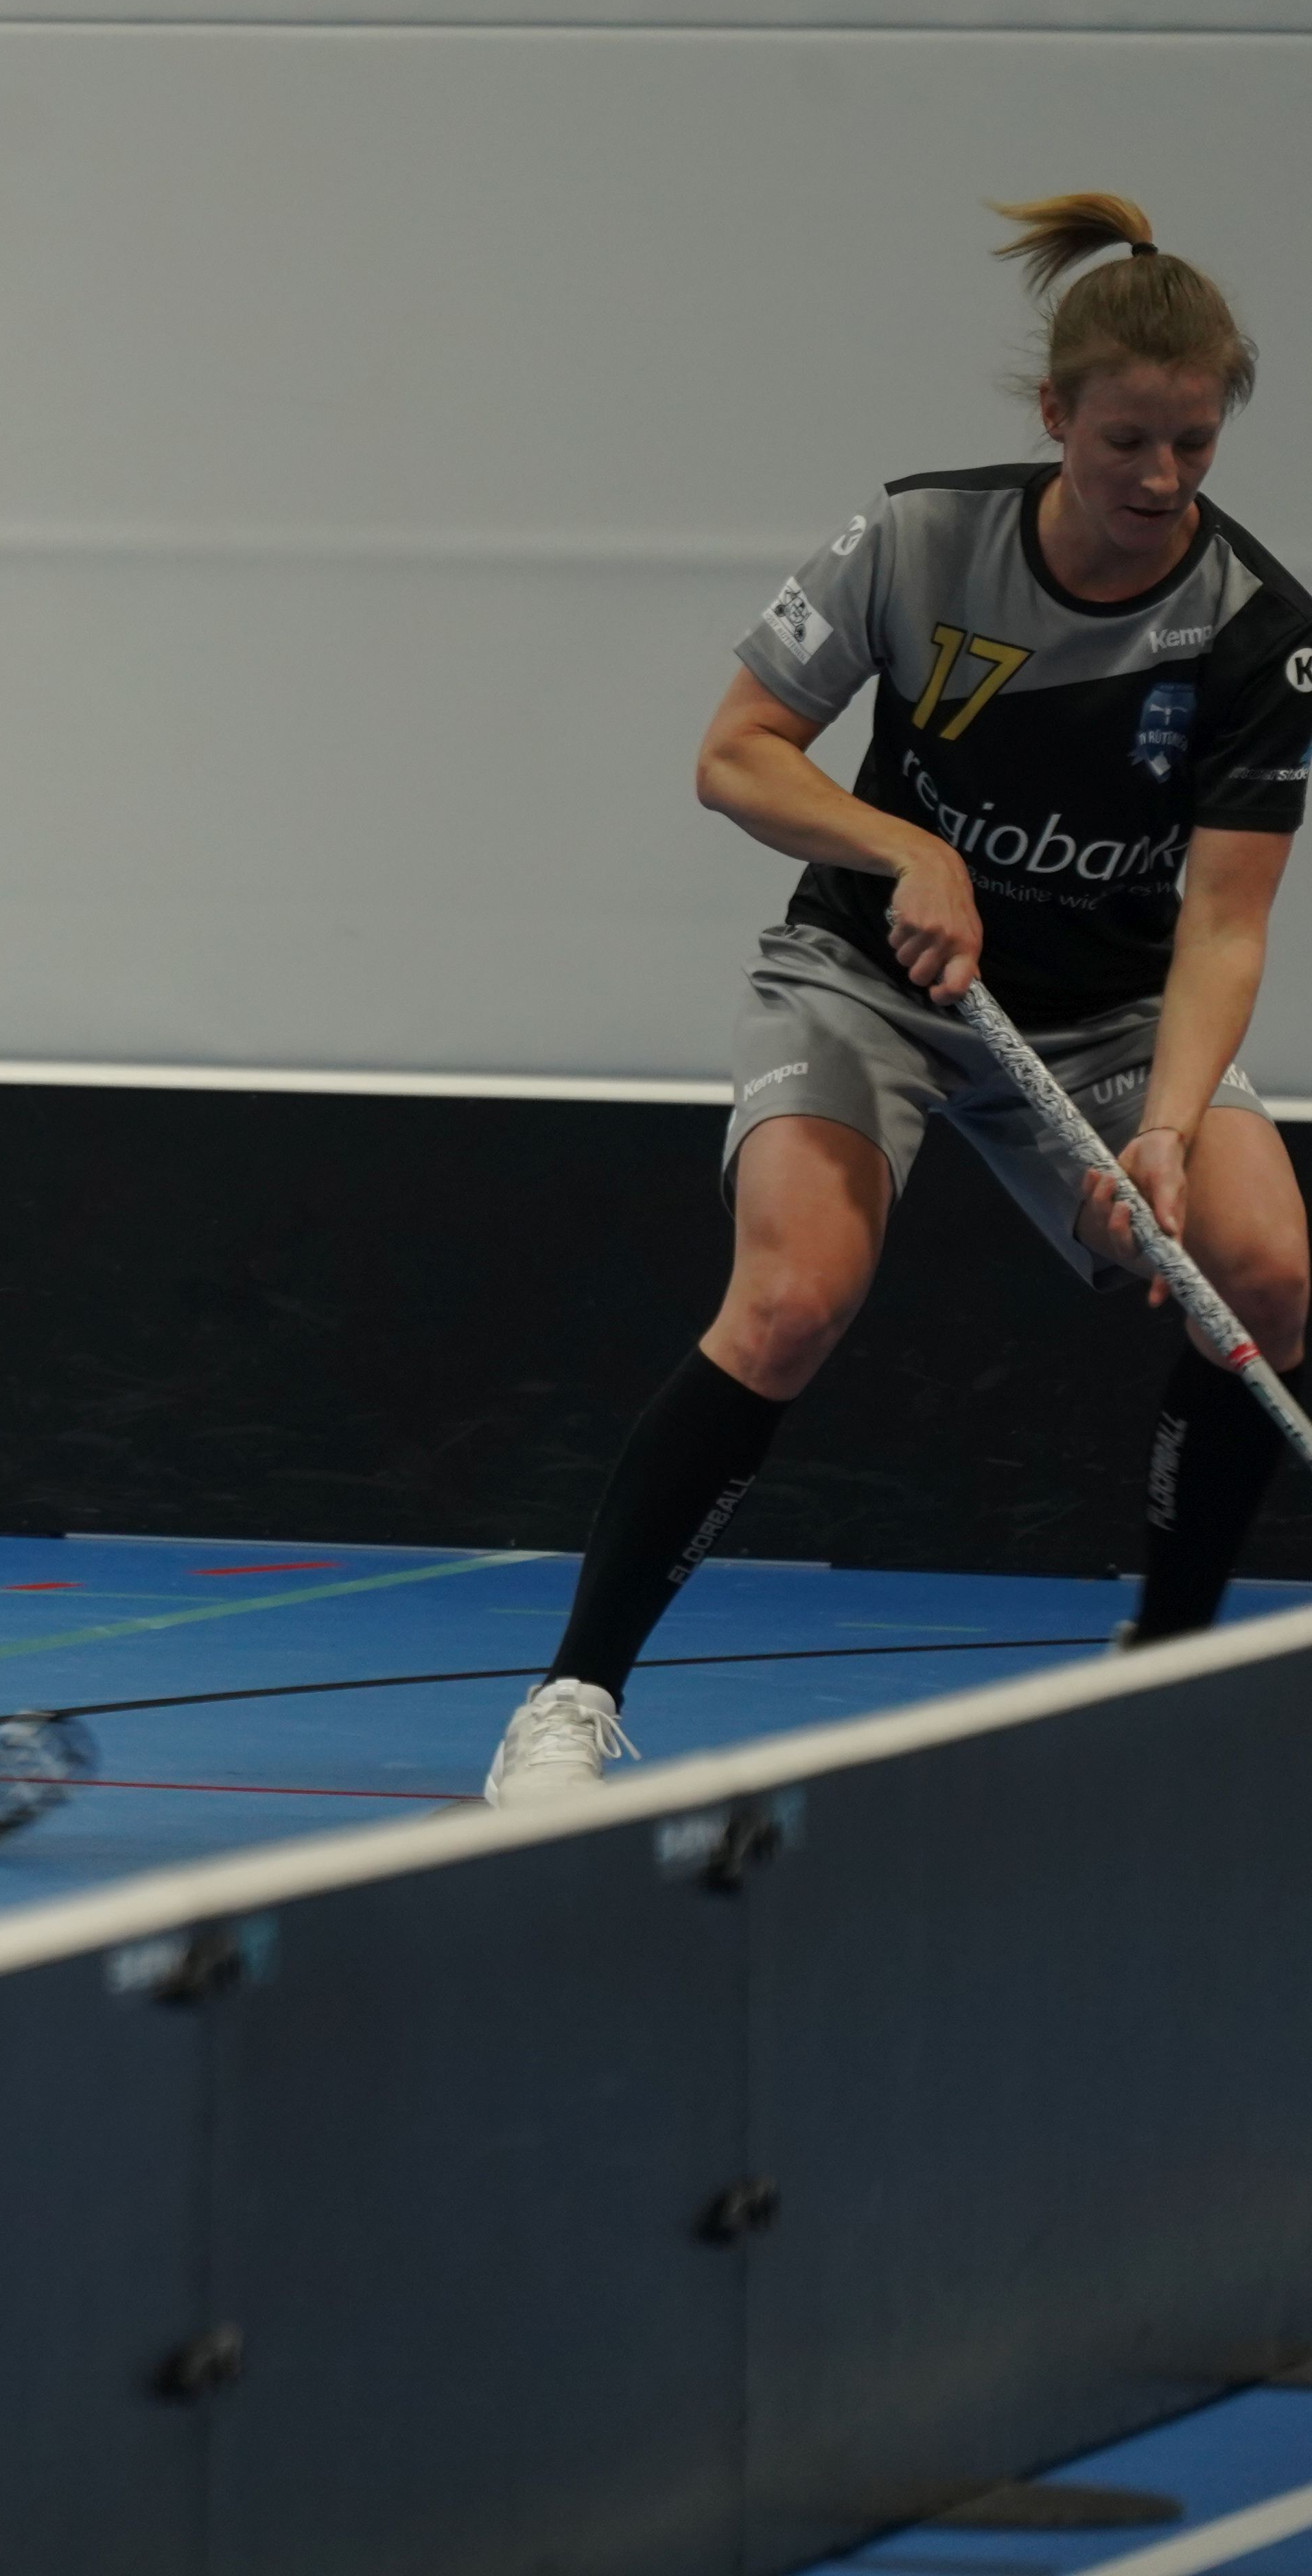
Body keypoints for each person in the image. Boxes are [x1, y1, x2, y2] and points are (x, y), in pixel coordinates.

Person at [488, 194, 1312, 1807]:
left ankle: (1159, 1675)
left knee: (1272, 1277)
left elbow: (1225, 924)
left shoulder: (1259, 635)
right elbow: (736, 755)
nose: (1161, 479)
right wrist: (906, 847)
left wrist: (1158, 1132)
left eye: (1195, 445)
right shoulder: (919, 540)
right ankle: (570, 1696)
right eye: (1127, 440)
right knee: (793, 1299)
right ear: (1054, 414)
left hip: (1108, 1017)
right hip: (872, 980)